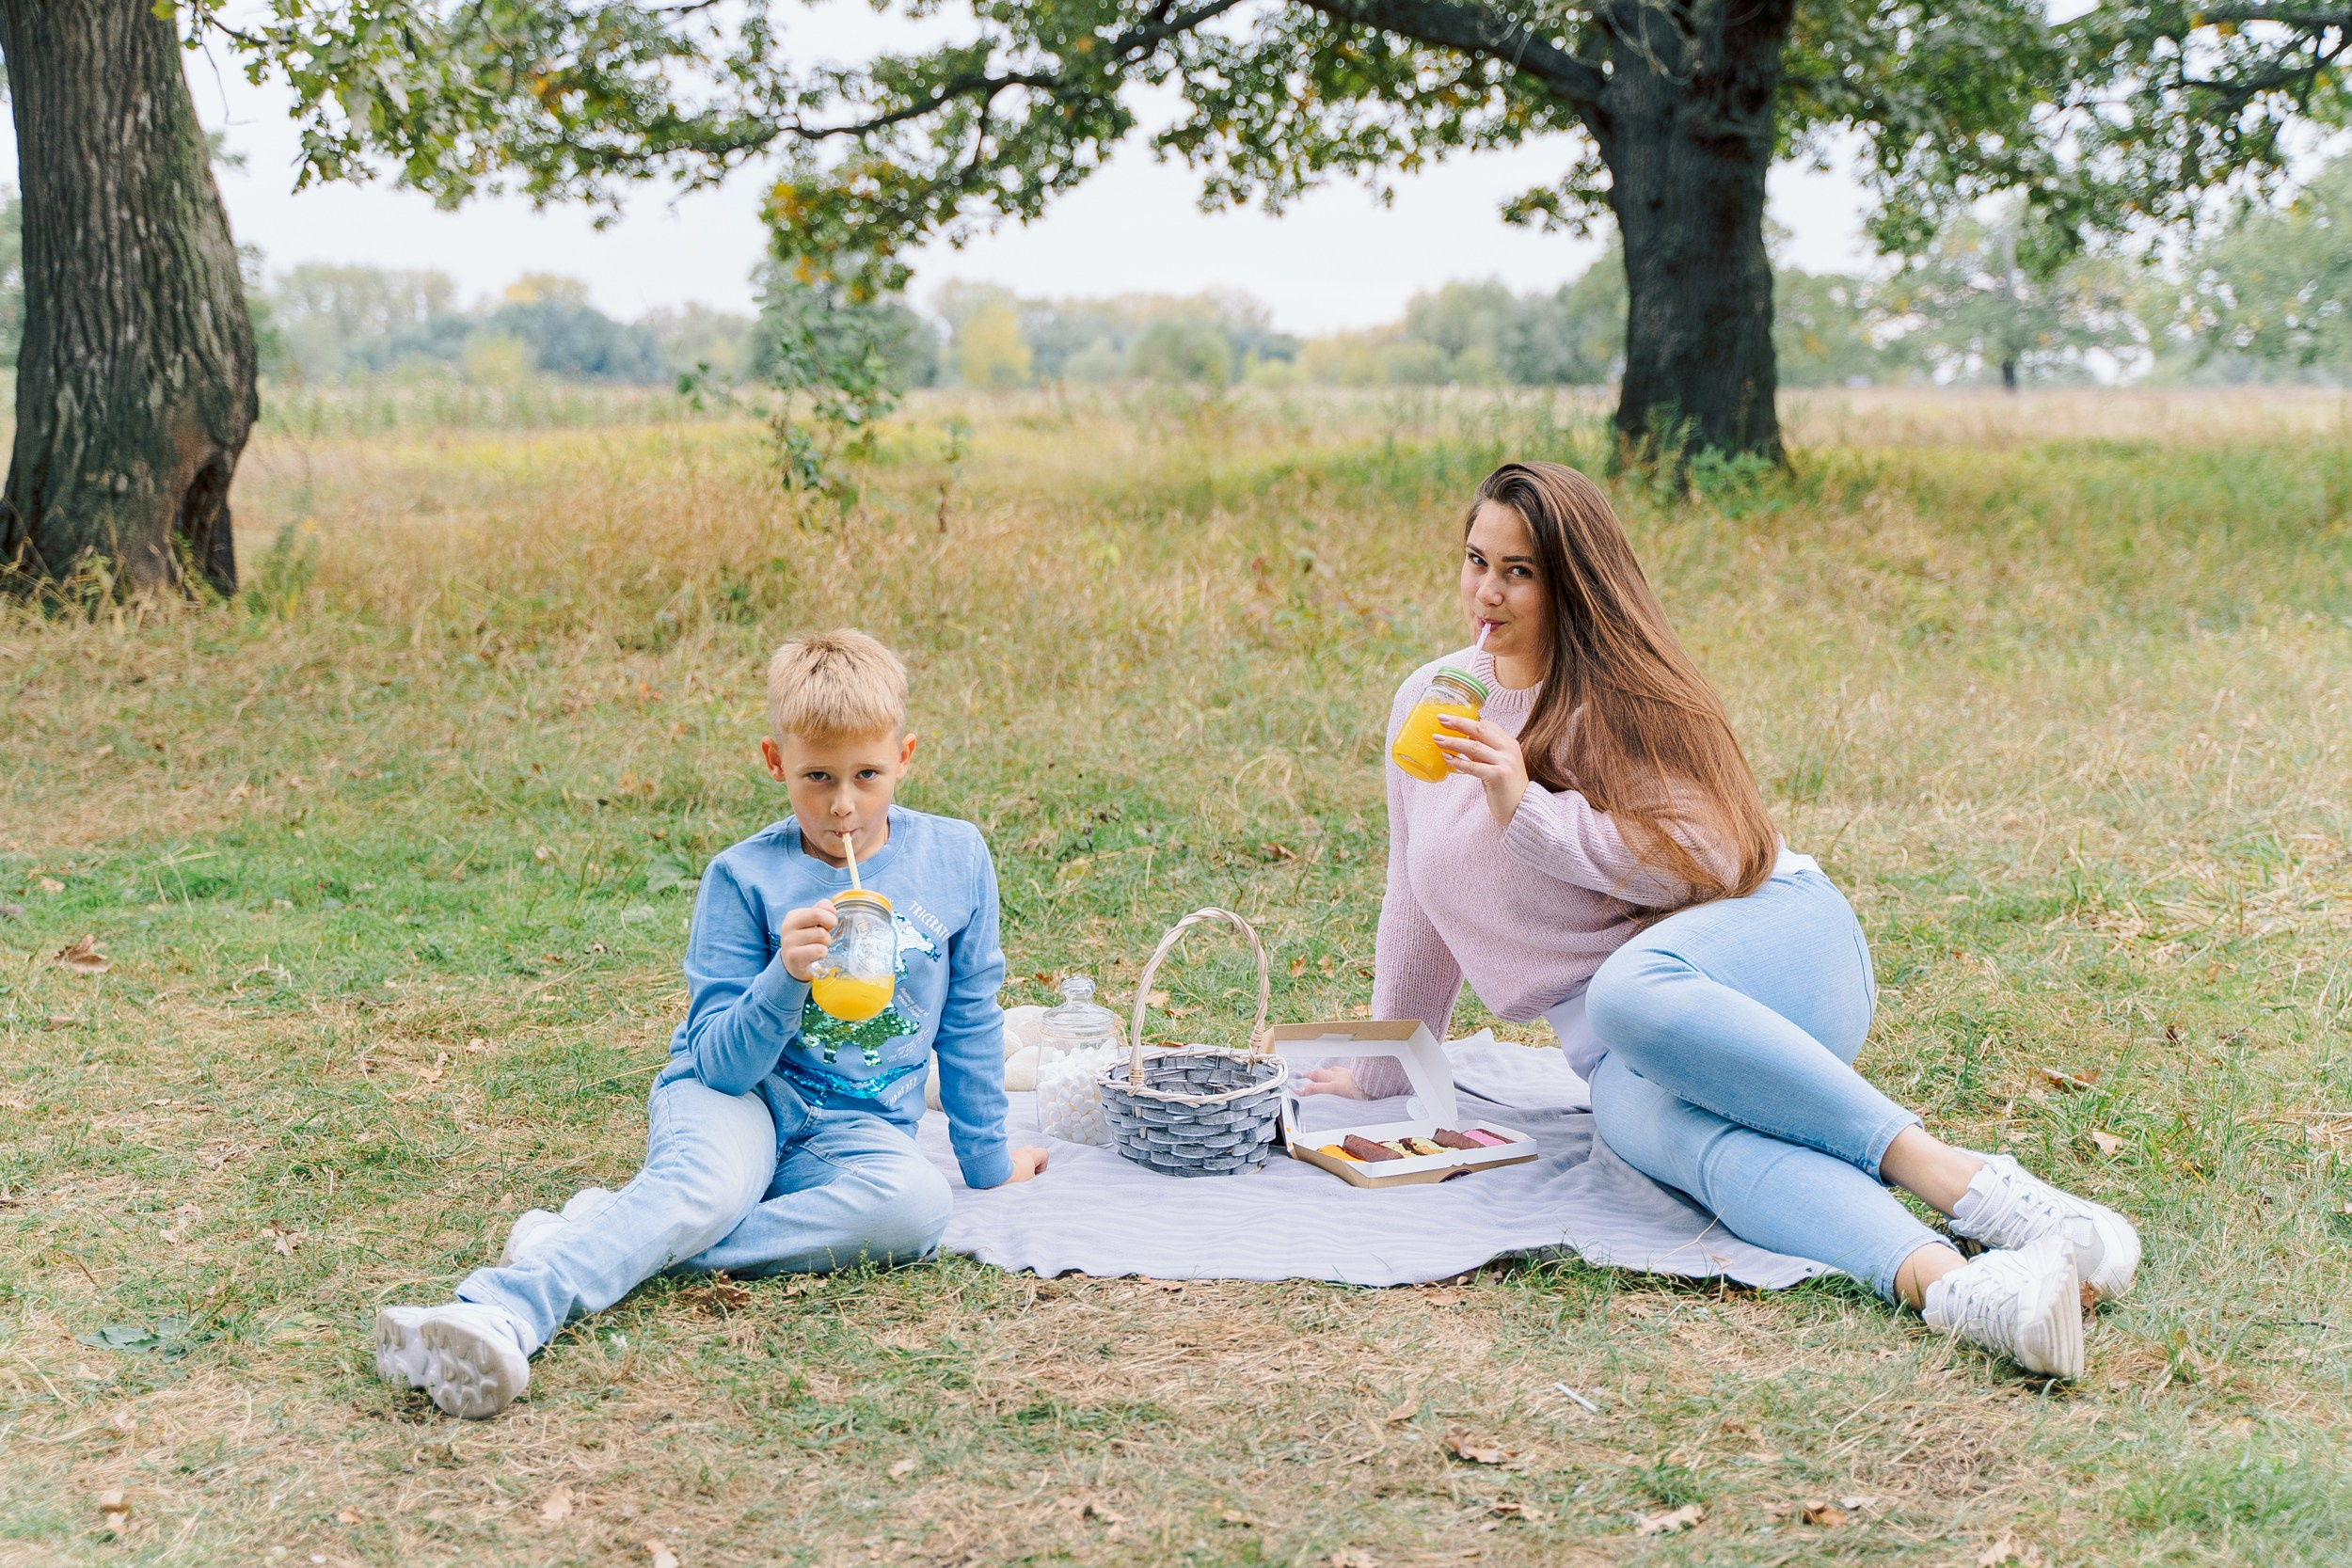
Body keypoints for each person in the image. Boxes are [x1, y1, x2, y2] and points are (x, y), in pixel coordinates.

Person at [1305, 462, 2137, 1378]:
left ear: (1573, 582)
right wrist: (1384, 1066)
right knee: (1683, 1145)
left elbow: (1712, 855)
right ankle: (1966, 1291)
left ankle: (1972, 1186)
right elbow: (1413, 895)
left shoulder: (1617, 701)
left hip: (1771, 950)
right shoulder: (1426, 697)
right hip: (1620, 1040)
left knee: (1629, 989)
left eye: (1520, 571)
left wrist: (1525, 806)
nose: (1486, 592)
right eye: (1476, 560)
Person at [372, 629, 1048, 1418]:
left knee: (918, 1206)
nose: (842, 805)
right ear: (775, 762)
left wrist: (989, 1160)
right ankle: (500, 1310)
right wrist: (784, 977)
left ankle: (605, 1232)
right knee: (710, 1185)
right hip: (737, 1098)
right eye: (816, 777)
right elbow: (720, 1063)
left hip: (856, 1130)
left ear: (905, 756)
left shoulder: (958, 858)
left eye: (868, 775)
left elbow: (969, 1020)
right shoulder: (742, 877)